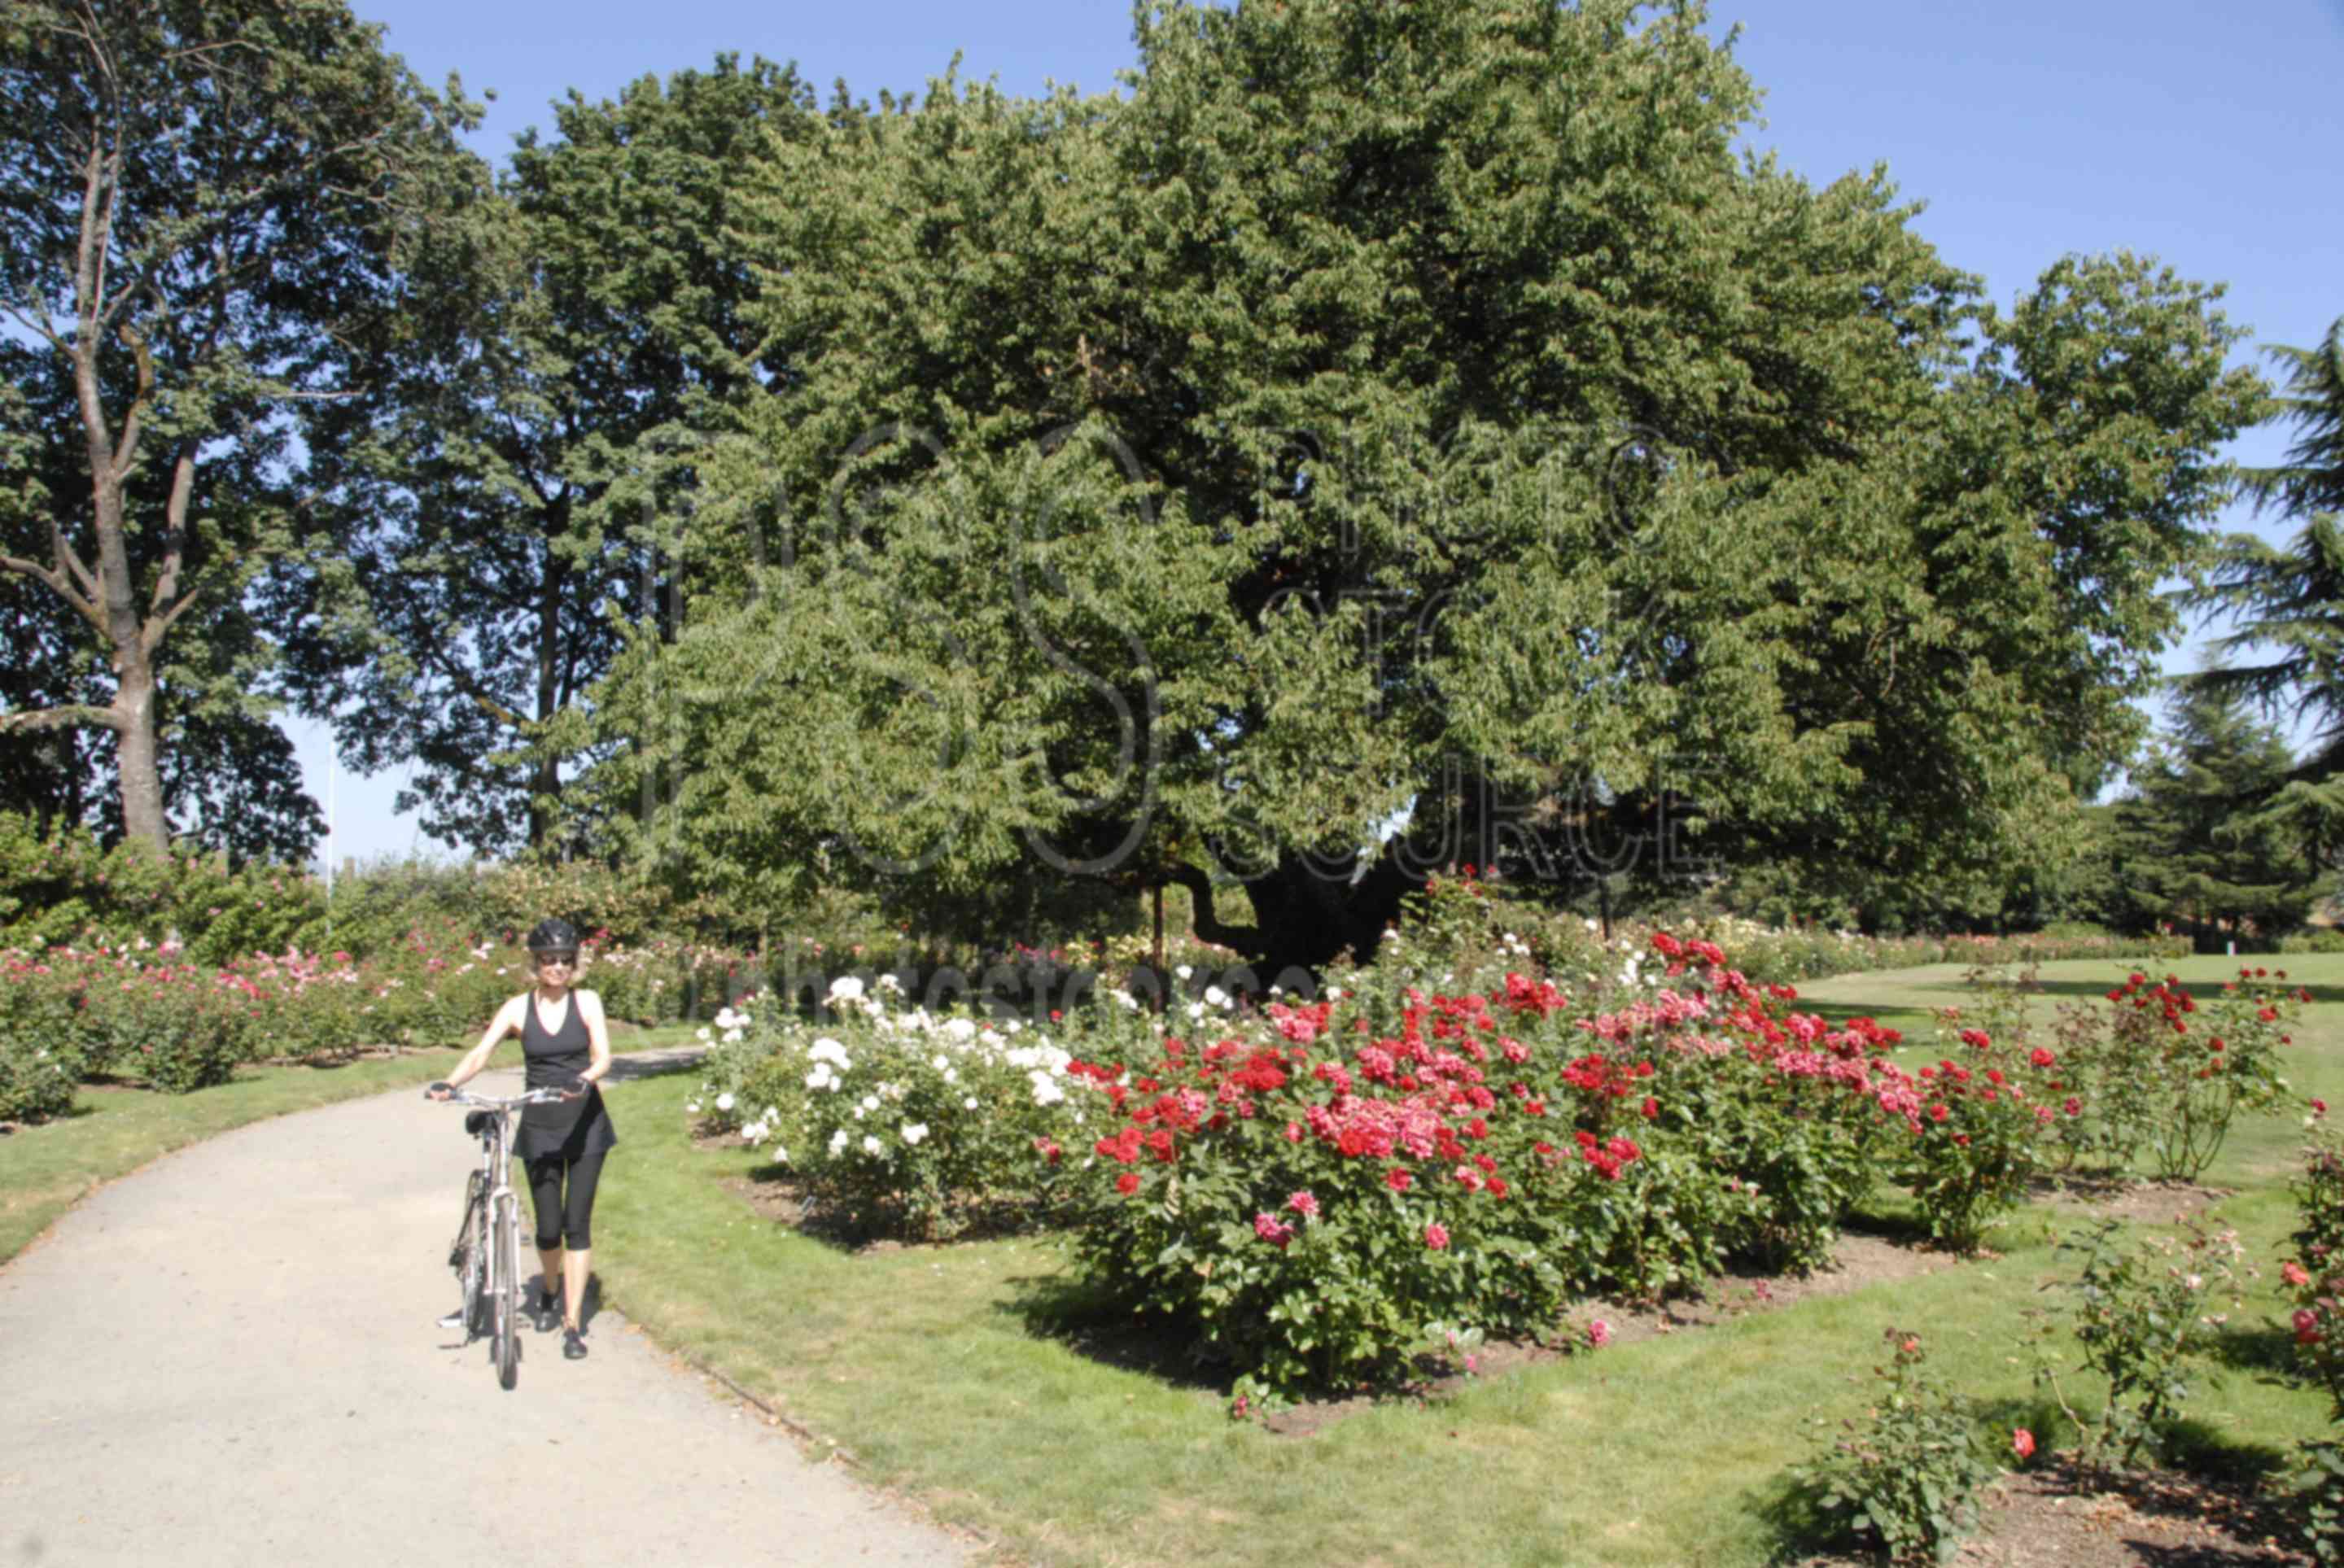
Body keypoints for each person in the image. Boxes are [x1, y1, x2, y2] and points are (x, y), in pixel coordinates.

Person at [428, 918, 618, 1361]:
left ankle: (573, 1325)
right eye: (549, 960)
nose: (557, 967)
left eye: (565, 960)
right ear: (536, 964)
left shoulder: (587, 1001)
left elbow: (604, 1056)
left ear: (575, 964)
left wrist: (585, 1079)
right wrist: (449, 1083)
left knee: (577, 1225)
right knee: (548, 1229)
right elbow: (481, 1052)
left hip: (585, 1122)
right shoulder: (517, 1008)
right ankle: (550, 1290)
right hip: (539, 1125)